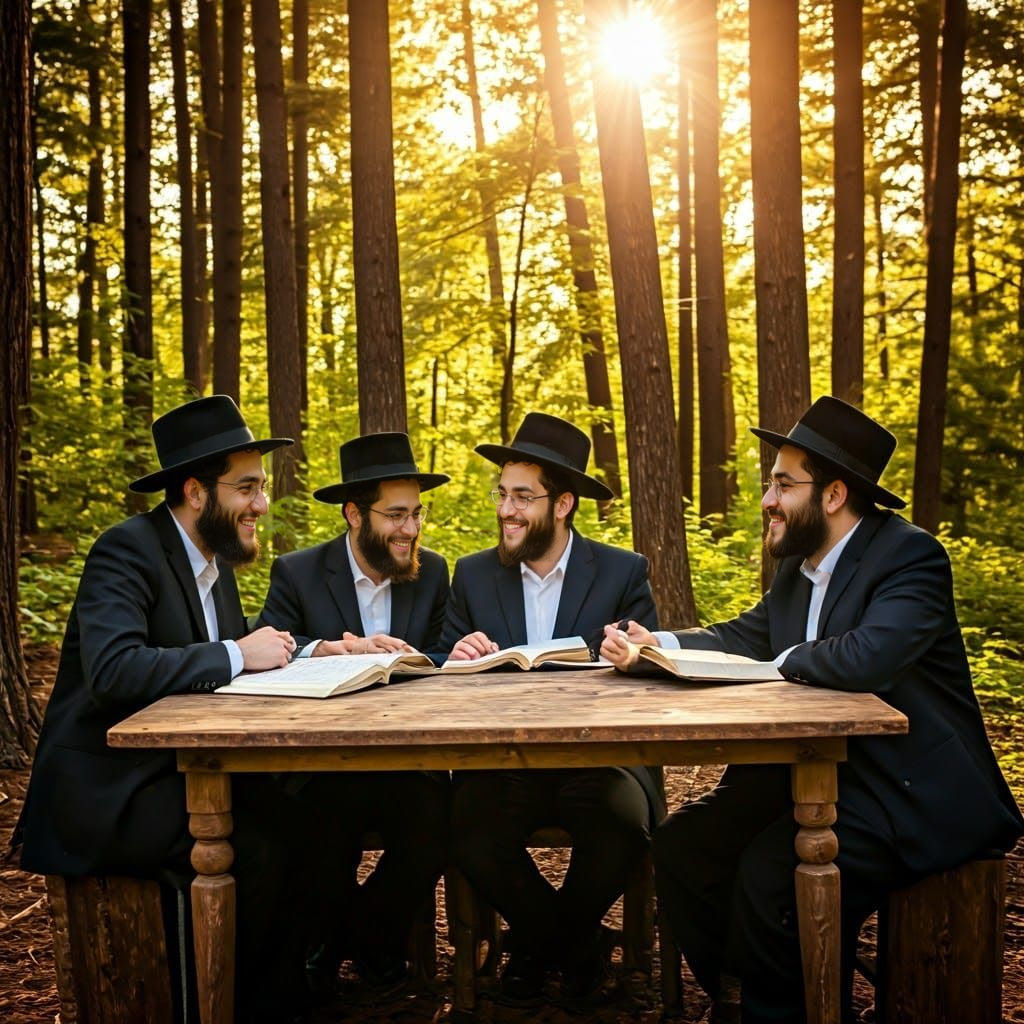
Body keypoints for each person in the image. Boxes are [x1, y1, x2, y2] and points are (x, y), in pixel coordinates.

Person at [602, 396, 1024, 1023]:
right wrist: (655, 644)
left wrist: (779, 661)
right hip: (804, 770)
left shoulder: (911, 557)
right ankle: (746, 996)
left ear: (832, 495)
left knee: (771, 881)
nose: (768, 500)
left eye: (781, 484)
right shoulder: (799, 570)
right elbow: (748, 636)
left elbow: (867, 657)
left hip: (902, 788)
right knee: (684, 846)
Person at [14, 395, 321, 1022]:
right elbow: (115, 671)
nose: (261, 504)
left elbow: (231, 657)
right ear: (196, 491)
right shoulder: (124, 550)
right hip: (108, 787)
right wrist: (238, 652)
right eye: (248, 488)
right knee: (253, 849)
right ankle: (212, 1006)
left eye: (260, 488)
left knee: (312, 818)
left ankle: (281, 1002)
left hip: (177, 769)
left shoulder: (214, 560)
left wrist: (315, 648)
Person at [442, 411, 661, 1004]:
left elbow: (655, 669)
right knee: (468, 833)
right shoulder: (471, 575)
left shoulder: (622, 571)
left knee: (624, 827)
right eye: (502, 494)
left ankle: (538, 949)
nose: (506, 511)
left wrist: (634, 654)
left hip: (601, 758)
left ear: (562, 504)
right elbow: (439, 669)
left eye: (522, 497)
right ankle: (575, 946)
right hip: (501, 760)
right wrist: (455, 656)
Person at [256, 432, 451, 992]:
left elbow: (443, 650)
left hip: (408, 760)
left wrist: (428, 656)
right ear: (352, 513)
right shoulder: (298, 571)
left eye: (416, 514)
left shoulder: (433, 571)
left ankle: (357, 935)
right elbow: (267, 646)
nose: (409, 529)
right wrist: (329, 648)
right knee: (315, 833)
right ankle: (362, 943)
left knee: (439, 825)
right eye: (395, 515)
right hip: (323, 763)